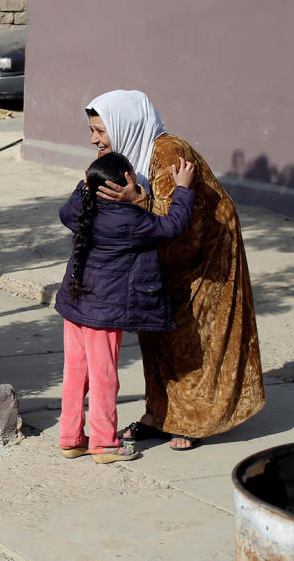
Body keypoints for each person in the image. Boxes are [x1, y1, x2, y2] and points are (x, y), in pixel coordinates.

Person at [87, 89, 266, 450]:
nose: (94, 140)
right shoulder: (137, 154)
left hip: (205, 259)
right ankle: (158, 414)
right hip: (167, 259)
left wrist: (136, 200)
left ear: (125, 124)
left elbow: (175, 220)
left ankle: (192, 420)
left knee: (191, 338)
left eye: (100, 131)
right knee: (156, 334)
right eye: (92, 130)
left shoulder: (168, 152)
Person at [55, 152, 196, 463]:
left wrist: (84, 185)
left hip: (75, 305)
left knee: (76, 373)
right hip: (104, 313)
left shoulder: (81, 206)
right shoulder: (130, 219)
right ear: (128, 181)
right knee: (104, 377)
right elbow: (172, 226)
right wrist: (183, 188)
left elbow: (65, 212)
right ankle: (104, 442)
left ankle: (71, 438)